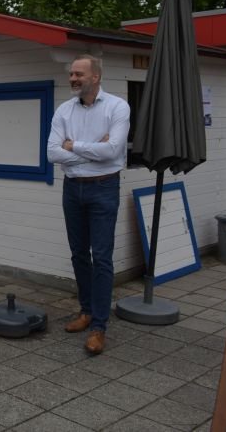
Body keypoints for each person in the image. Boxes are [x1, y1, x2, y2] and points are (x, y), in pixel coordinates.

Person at [47, 54, 130, 355]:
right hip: (72, 189)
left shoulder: (117, 107)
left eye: (79, 74)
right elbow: (52, 153)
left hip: (104, 188)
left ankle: (99, 327)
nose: (73, 78)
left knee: (102, 257)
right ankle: (86, 311)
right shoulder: (64, 110)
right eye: (72, 74)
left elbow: (113, 151)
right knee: (79, 254)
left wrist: (74, 146)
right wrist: (94, 150)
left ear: (96, 77)